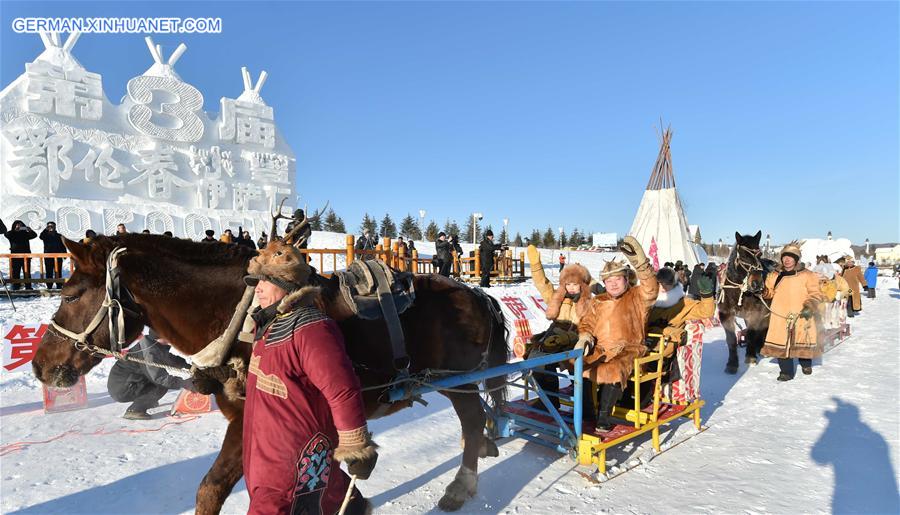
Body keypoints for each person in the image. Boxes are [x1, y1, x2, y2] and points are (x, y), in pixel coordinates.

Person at [242, 241, 376, 514]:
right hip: (263, 451)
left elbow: (342, 389)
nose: (258, 289)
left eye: (264, 282)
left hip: (295, 458)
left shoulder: (311, 328)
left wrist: (356, 445)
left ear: (286, 285)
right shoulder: (269, 324)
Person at [576, 236, 658, 432]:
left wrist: (641, 264)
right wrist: (585, 337)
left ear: (625, 279)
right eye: (608, 280)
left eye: (617, 279)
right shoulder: (599, 301)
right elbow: (587, 322)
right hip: (602, 347)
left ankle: (604, 416)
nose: (613, 284)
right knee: (581, 365)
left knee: (614, 369)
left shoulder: (638, 296)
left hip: (630, 348)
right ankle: (587, 412)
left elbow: (651, 288)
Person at [526, 245, 595, 420]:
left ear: (582, 285)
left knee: (579, 371)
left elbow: (591, 326)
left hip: (578, 339)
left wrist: (584, 339)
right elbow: (542, 283)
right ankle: (550, 400)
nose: (571, 288)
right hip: (556, 336)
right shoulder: (557, 297)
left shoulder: (590, 302)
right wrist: (535, 265)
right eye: (568, 284)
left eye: (575, 284)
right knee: (538, 361)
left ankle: (586, 409)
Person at [761, 242, 824, 381]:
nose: (786, 260)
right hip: (780, 315)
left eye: (790, 257)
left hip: (802, 314)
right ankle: (786, 372)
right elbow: (769, 292)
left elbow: (816, 293)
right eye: (784, 257)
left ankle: (806, 363)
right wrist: (762, 290)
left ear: (796, 259)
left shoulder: (808, 275)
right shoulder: (775, 275)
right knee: (781, 342)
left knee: (803, 339)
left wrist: (809, 307)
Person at [106, 329, 197, 419]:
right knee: (160, 386)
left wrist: (191, 367)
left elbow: (169, 359)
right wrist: (185, 383)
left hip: (128, 383)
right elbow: (159, 378)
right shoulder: (149, 351)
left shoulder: (153, 345)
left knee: (158, 383)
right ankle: (135, 410)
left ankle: (146, 401)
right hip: (122, 388)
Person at [4, 220, 37, 290]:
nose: (19, 226)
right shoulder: (12, 234)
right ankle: (16, 286)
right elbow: (6, 234)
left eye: (21, 225)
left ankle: (28, 287)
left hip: (26, 256)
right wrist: (14, 230)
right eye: (17, 225)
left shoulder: (25, 233)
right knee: (16, 272)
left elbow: (34, 235)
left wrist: (30, 230)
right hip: (15, 256)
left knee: (27, 272)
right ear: (14, 226)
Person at [39, 221, 66, 289]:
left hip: (58, 256)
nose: (51, 227)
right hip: (48, 256)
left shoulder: (59, 236)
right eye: (49, 226)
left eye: (52, 226)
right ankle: (49, 286)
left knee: (58, 271)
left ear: (55, 227)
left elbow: (63, 245)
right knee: (49, 271)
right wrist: (46, 229)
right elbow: (41, 236)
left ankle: (59, 285)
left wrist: (64, 254)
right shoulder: (45, 235)